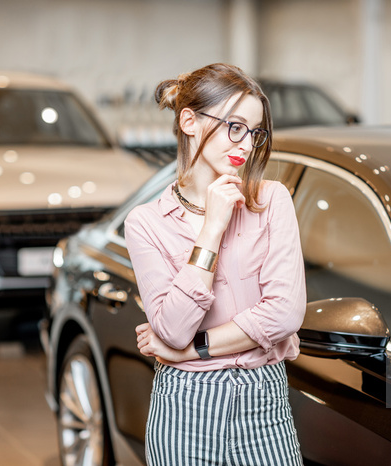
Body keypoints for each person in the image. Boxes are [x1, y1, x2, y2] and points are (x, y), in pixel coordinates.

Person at [125, 63, 306, 466]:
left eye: (255, 132)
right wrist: (212, 229)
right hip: (185, 406)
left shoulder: (272, 200)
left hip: (264, 401)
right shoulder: (145, 224)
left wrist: (190, 351)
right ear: (189, 121)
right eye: (234, 126)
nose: (246, 144)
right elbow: (171, 327)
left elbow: (285, 313)